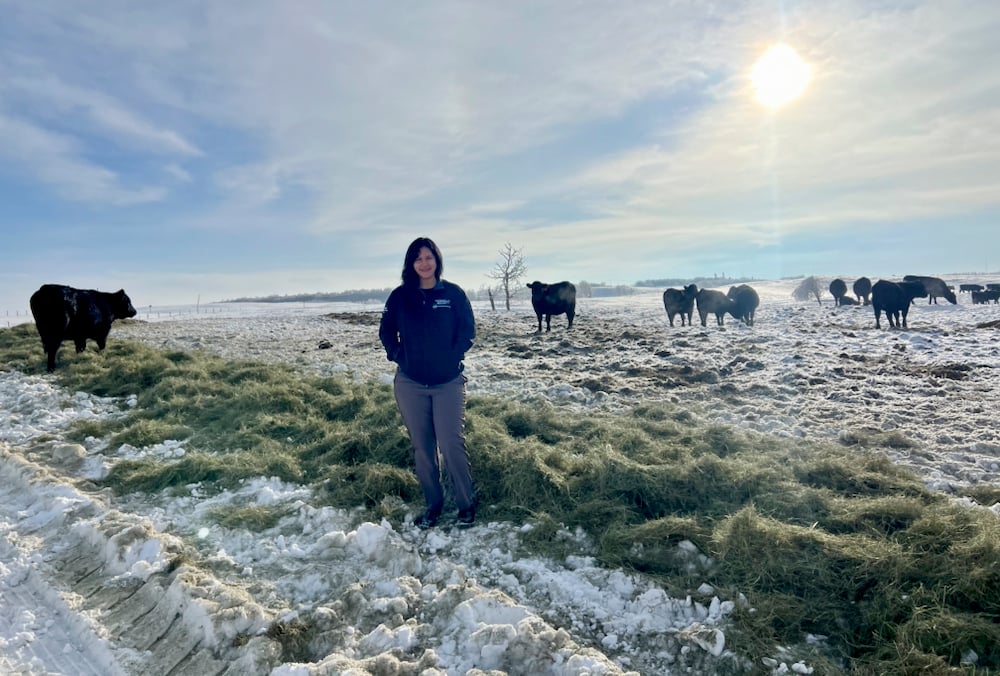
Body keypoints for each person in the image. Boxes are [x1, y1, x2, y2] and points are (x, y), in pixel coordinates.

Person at [379, 237, 477, 529]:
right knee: (422, 448)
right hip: (410, 383)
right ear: (411, 263)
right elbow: (386, 331)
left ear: (437, 260)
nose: (424, 263)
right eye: (418, 258)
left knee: (451, 444)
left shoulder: (453, 294)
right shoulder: (400, 297)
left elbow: (467, 330)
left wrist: (452, 357)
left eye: (429, 257)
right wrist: (398, 356)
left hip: (447, 382)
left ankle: (466, 505)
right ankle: (434, 504)